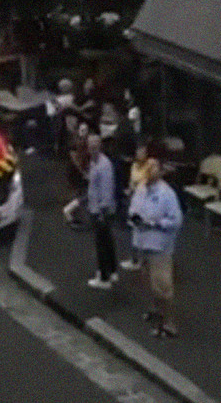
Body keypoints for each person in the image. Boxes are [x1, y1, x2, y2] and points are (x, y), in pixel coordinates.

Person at [127, 151, 184, 337]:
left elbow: (176, 220)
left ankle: (169, 325)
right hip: (143, 244)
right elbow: (133, 207)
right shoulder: (142, 187)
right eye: (147, 167)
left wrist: (156, 223)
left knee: (162, 287)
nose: (149, 171)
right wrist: (134, 217)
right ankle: (156, 311)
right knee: (148, 281)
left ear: (160, 172)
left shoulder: (166, 194)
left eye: (154, 167)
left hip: (159, 247)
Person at [85, 133, 118, 289]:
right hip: (97, 208)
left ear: (100, 146)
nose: (92, 149)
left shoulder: (104, 165)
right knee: (107, 241)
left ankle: (104, 278)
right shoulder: (94, 162)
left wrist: (101, 213)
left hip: (101, 211)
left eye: (95, 146)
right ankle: (112, 271)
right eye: (90, 146)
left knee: (101, 245)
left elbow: (106, 190)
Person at [120, 138, 157, 271]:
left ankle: (140, 261)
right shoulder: (134, 166)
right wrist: (129, 190)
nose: (140, 155)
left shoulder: (150, 166)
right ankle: (136, 259)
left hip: (146, 203)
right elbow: (132, 182)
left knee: (143, 232)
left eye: (143, 153)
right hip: (134, 201)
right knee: (135, 232)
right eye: (138, 152)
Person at [62, 120, 91, 227]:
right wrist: (85, 173)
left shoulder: (85, 142)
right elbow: (76, 161)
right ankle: (68, 212)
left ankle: (73, 212)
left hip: (80, 173)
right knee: (83, 195)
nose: (84, 132)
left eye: (86, 130)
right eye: (82, 130)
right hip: (75, 173)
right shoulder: (76, 144)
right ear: (78, 131)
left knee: (81, 193)